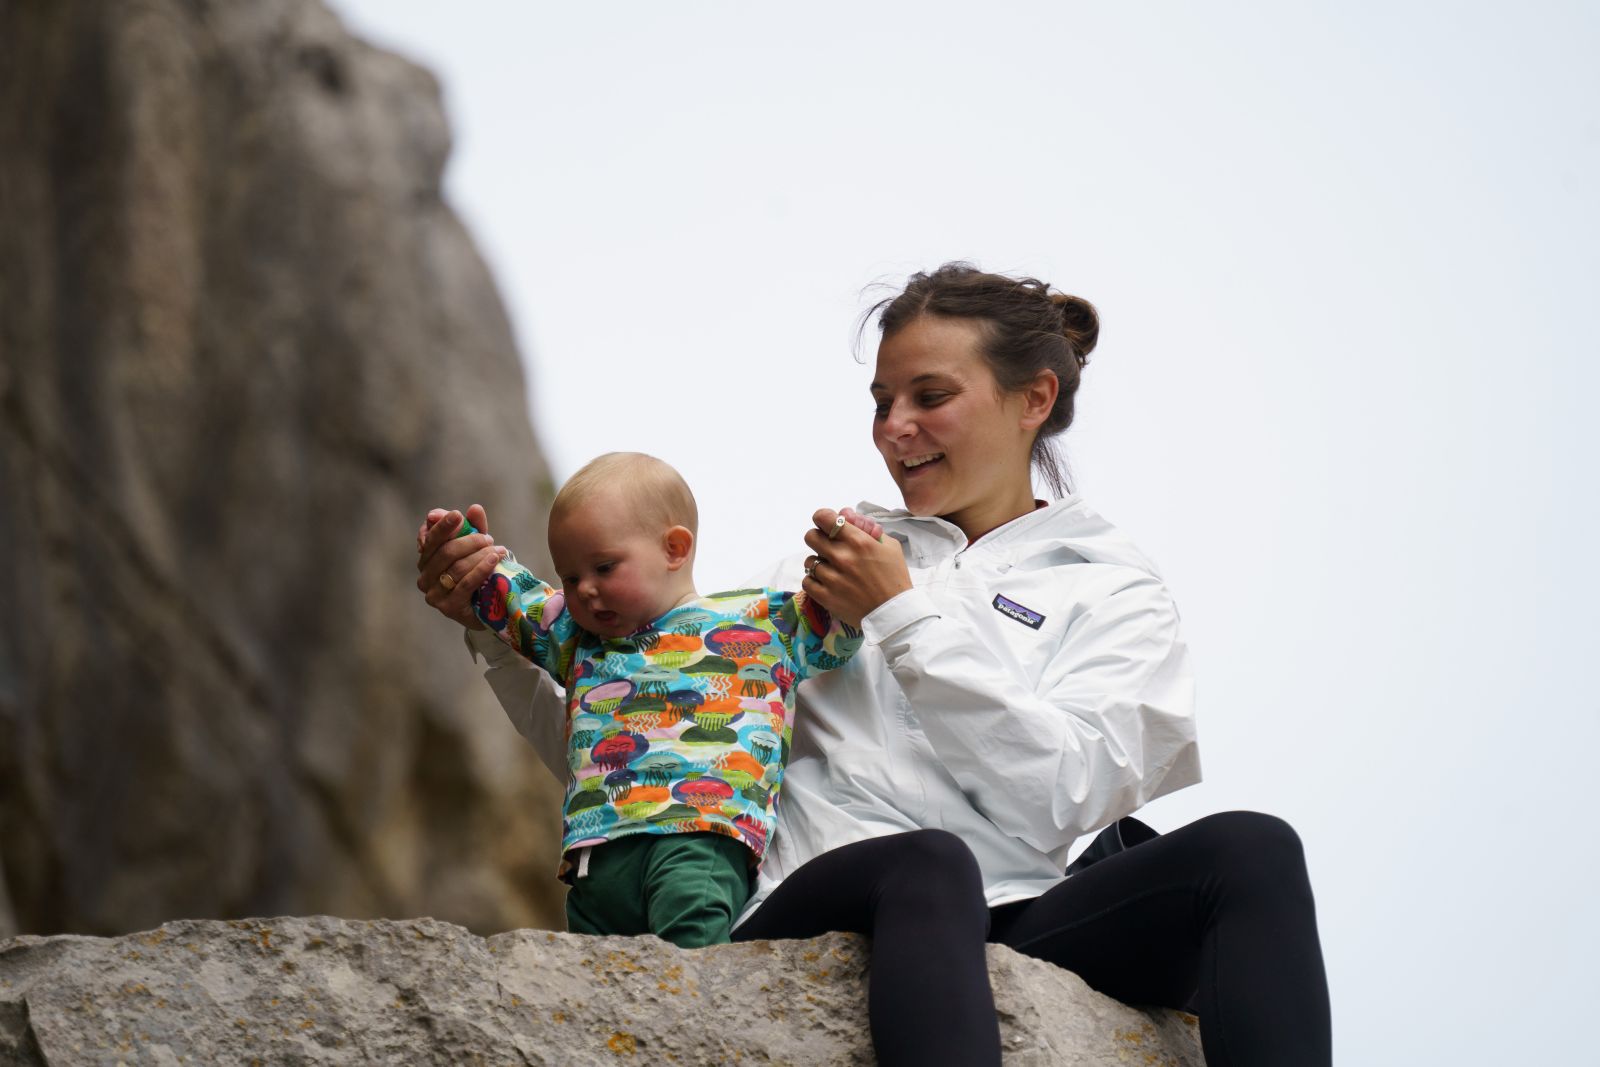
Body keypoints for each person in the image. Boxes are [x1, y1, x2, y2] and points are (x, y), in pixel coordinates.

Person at [417, 264, 1331, 1066]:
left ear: (1035, 400)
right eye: (881, 401)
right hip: (827, 891)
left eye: (929, 397)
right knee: (925, 864)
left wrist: (901, 615)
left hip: (1023, 904)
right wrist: (491, 634)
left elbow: (1067, 795)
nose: (894, 428)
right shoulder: (805, 580)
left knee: (1252, 849)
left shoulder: (1112, 588)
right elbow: (641, 751)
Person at [422, 451, 870, 949]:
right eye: (569, 578)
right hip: (596, 853)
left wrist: (851, 550)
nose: (585, 590)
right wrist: (460, 544)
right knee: (594, 975)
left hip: (700, 833)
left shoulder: (764, 622)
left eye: (604, 567)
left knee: (693, 950)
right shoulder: (575, 637)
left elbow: (840, 625)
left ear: (675, 548)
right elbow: (507, 594)